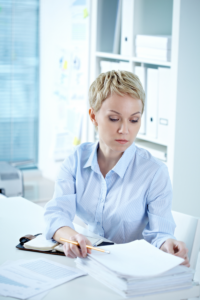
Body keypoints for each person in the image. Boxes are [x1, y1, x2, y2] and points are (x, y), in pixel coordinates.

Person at [44, 70, 189, 266]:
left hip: (133, 270)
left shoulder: (154, 172)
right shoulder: (76, 161)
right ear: (93, 116)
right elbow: (57, 213)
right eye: (114, 119)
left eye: (134, 120)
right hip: (90, 262)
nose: (125, 130)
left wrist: (167, 244)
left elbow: (160, 233)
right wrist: (70, 237)